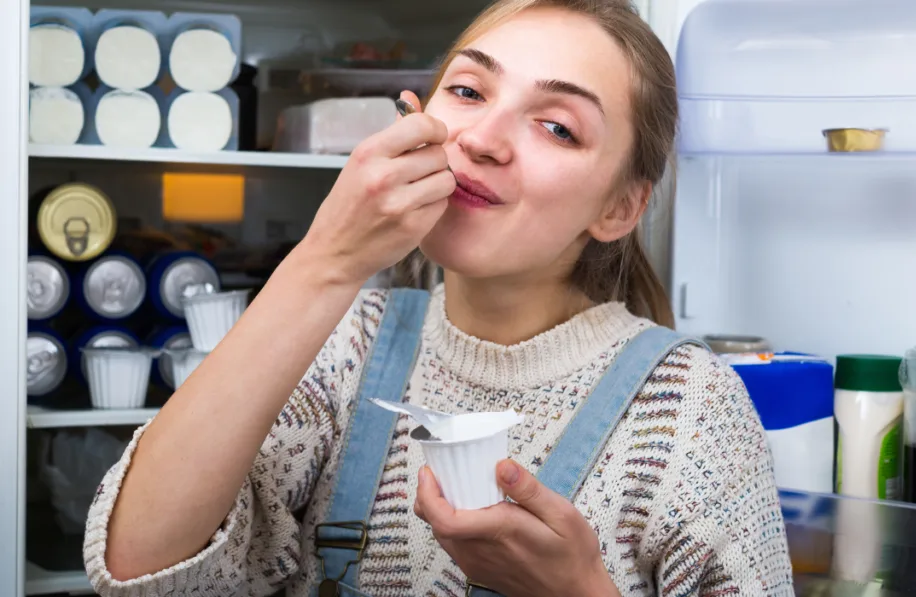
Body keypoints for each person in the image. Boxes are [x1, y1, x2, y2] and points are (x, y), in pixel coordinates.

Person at [83, 0, 794, 595]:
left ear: (618, 208)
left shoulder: (693, 409)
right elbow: (138, 565)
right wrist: (326, 261)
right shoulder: (345, 343)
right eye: (468, 92)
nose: (482, 140)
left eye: (556, 126)